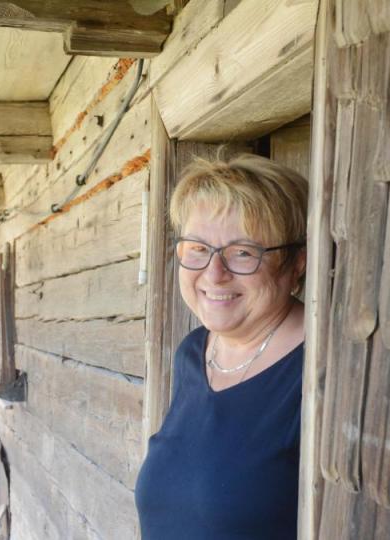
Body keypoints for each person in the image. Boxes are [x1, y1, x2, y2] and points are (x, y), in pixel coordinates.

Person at [134, 153, 308, 539]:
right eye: (197, 248)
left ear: (297, 262)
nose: (214, 273)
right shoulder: (193, 354)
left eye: (243, 252)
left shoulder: (316, 370)